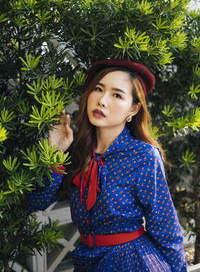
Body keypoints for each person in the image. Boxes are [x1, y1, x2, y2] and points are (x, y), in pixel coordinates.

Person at [27, 59, 187, 271]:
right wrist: (55, 154)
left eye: (117, 95)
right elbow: (36, 202)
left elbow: (165, 227)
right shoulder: (77, 150)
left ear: (133, 108)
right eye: (98, 89)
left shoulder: (143, 156)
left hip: (132, 261)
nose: (102, 100)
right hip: (86, 260)